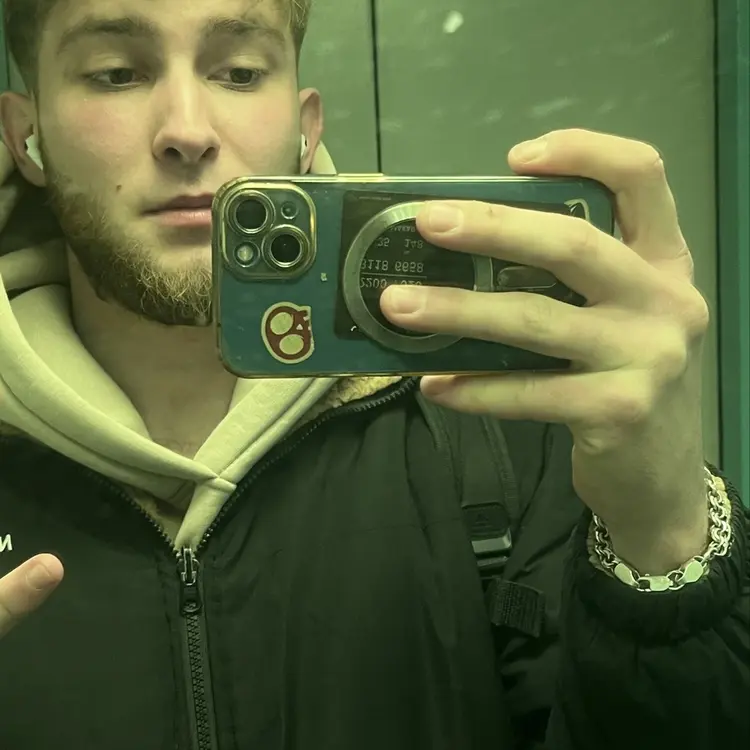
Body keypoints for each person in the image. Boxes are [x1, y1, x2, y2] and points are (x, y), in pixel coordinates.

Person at [0, 0, 747, 748]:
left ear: (306, 128)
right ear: (24, 136)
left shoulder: (506, 427)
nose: (187, 131)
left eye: (240, 72)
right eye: (117, 73)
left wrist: (665, 527)